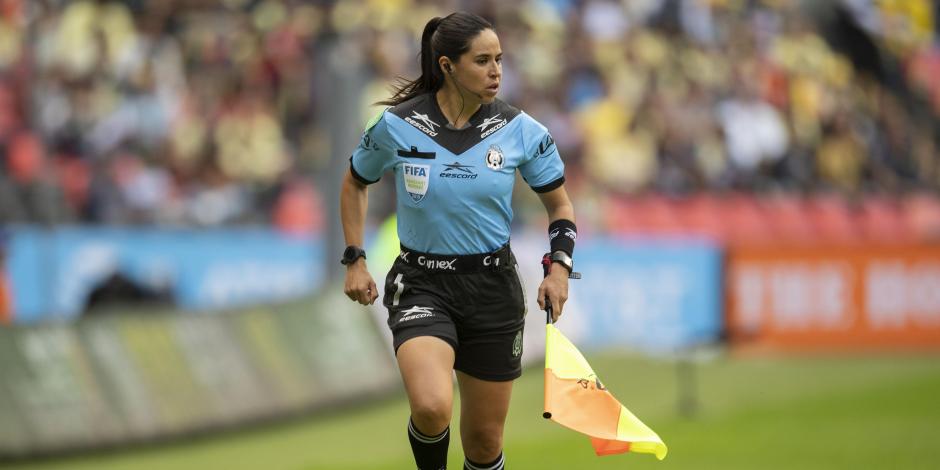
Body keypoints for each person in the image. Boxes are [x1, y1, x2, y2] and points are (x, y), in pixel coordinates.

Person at [339, 12, 577, 470]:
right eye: (482, 61)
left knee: (484, 443)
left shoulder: (522, 131)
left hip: (493, 290)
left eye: (500, 59)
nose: (496, 71)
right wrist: (355, 259)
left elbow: (560, 206)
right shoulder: (396, 125)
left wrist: (560, 269)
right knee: (431, 407)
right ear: (447, 66)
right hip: (422, 285)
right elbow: (354, 183)